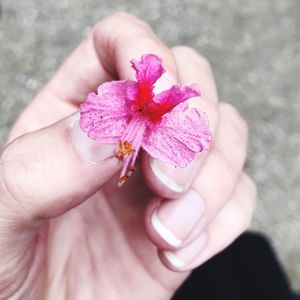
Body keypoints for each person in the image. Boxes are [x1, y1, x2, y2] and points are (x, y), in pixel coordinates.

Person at [1, 12, 284, 299]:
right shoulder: (117, 114)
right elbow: (96, 120)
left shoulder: (159, 128)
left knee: (241, 256)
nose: (125, 150)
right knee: (245, 259)